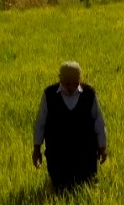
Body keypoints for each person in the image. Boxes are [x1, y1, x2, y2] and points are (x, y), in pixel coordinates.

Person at [33, 61, 108, 192]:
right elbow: (40, 123)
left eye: (75, 83)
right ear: (60, 78)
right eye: (67, 83)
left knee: (86, 185)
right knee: (60, 187)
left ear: (80, 79)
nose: (71, 87)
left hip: (85, 154)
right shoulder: (49, 95)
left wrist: (102, 147)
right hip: (58, 154)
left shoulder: (89, 94)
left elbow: (99, 122)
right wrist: (37, 149)